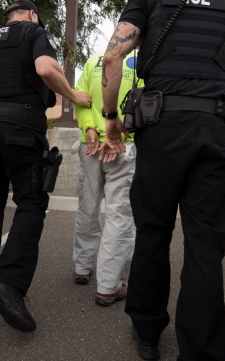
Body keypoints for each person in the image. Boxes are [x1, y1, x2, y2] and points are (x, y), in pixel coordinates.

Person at [99, 0, 225, 360]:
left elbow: (112, 57)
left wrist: (112, 118)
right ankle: (202, 352)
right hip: (214, 132)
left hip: (160, 128)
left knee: (153, 232)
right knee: (205, 245)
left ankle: (148, 333)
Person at [0, 0, 91, 332]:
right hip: (21, 131)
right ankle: (7, 284)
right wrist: (74, 97)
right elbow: (46, 70)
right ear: (33, 14)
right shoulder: (35, 32)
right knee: (31, 204)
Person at [72, 50, 142, 306]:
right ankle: (109, 286)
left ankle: (82, 267)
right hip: (122, 148)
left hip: (89, 146)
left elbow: (81, 98)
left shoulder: (94, 60)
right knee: (119, 214)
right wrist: (120, 135)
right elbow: (145, 105)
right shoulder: (142, 63)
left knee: (87, 207)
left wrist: (89, 128)